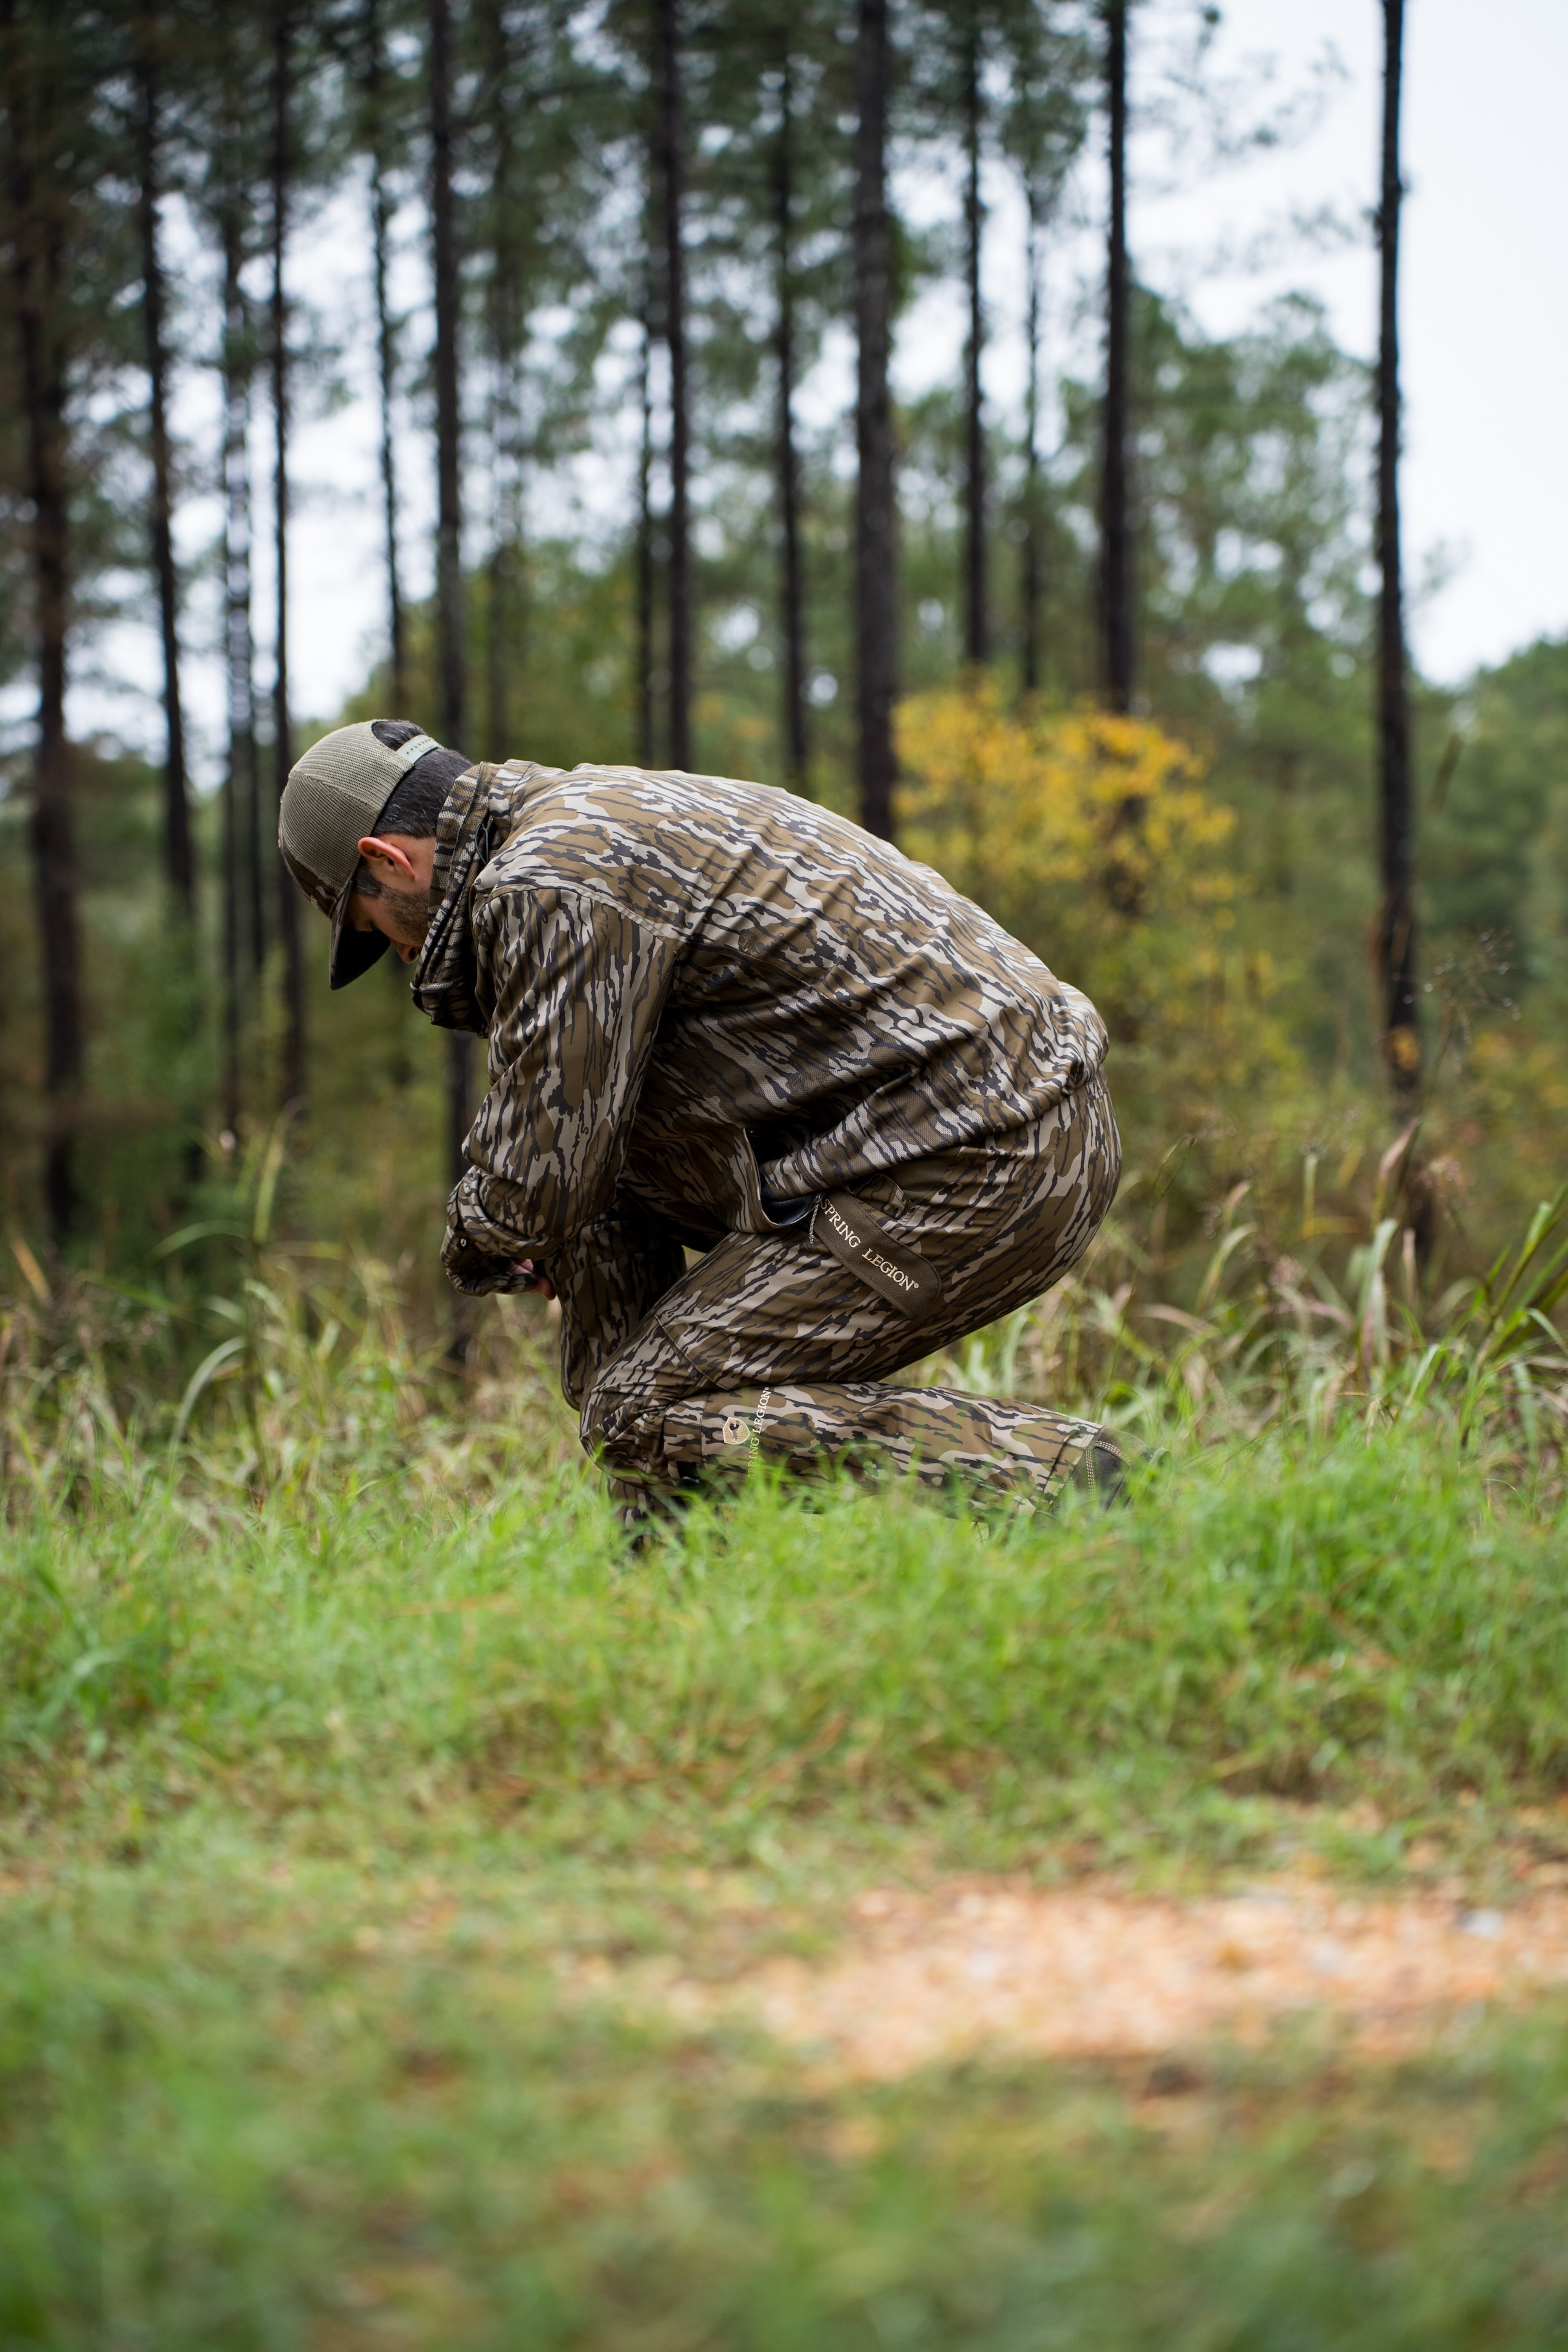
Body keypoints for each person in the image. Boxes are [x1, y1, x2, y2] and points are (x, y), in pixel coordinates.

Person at [279, 720, 1125, 1523]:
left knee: (643, 1407)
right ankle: (671, 1587)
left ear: (387, 858)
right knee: (611, 1271)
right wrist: (550, 1226)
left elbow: (540, 1178)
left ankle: (1065, 1478)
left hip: (980, 1158)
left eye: (378, 928)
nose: (403, 957)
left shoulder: (553, 879)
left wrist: (476, 1241)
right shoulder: (589, 820)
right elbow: (580, 1154)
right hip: (985, 1125)